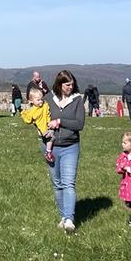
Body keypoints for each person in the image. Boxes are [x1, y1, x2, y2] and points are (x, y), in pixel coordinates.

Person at [45, 70, 85, 233]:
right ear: (59, 84)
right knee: (57, 184)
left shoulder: (77, 101)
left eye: (72, 84)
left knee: (68, 183)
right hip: (51, 146)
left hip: (70, 146)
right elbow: (39, 115)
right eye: (67, 84)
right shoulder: (48, 99)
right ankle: (63, 216)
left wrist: (60, 121)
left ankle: (69, 218)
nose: (70, 87)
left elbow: (79, 124)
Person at [20, 87, 55, 163]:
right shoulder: (32, 111)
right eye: (38, 100)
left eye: (41, 99)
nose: (41, 102)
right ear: (31, 101)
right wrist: (23, 114)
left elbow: (48, 107)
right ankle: (48, 152)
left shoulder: (44, 105)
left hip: (48, 124)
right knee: (51, 138)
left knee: (48, 139)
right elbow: (28, 120)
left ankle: (47, 150)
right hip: (43, 128)